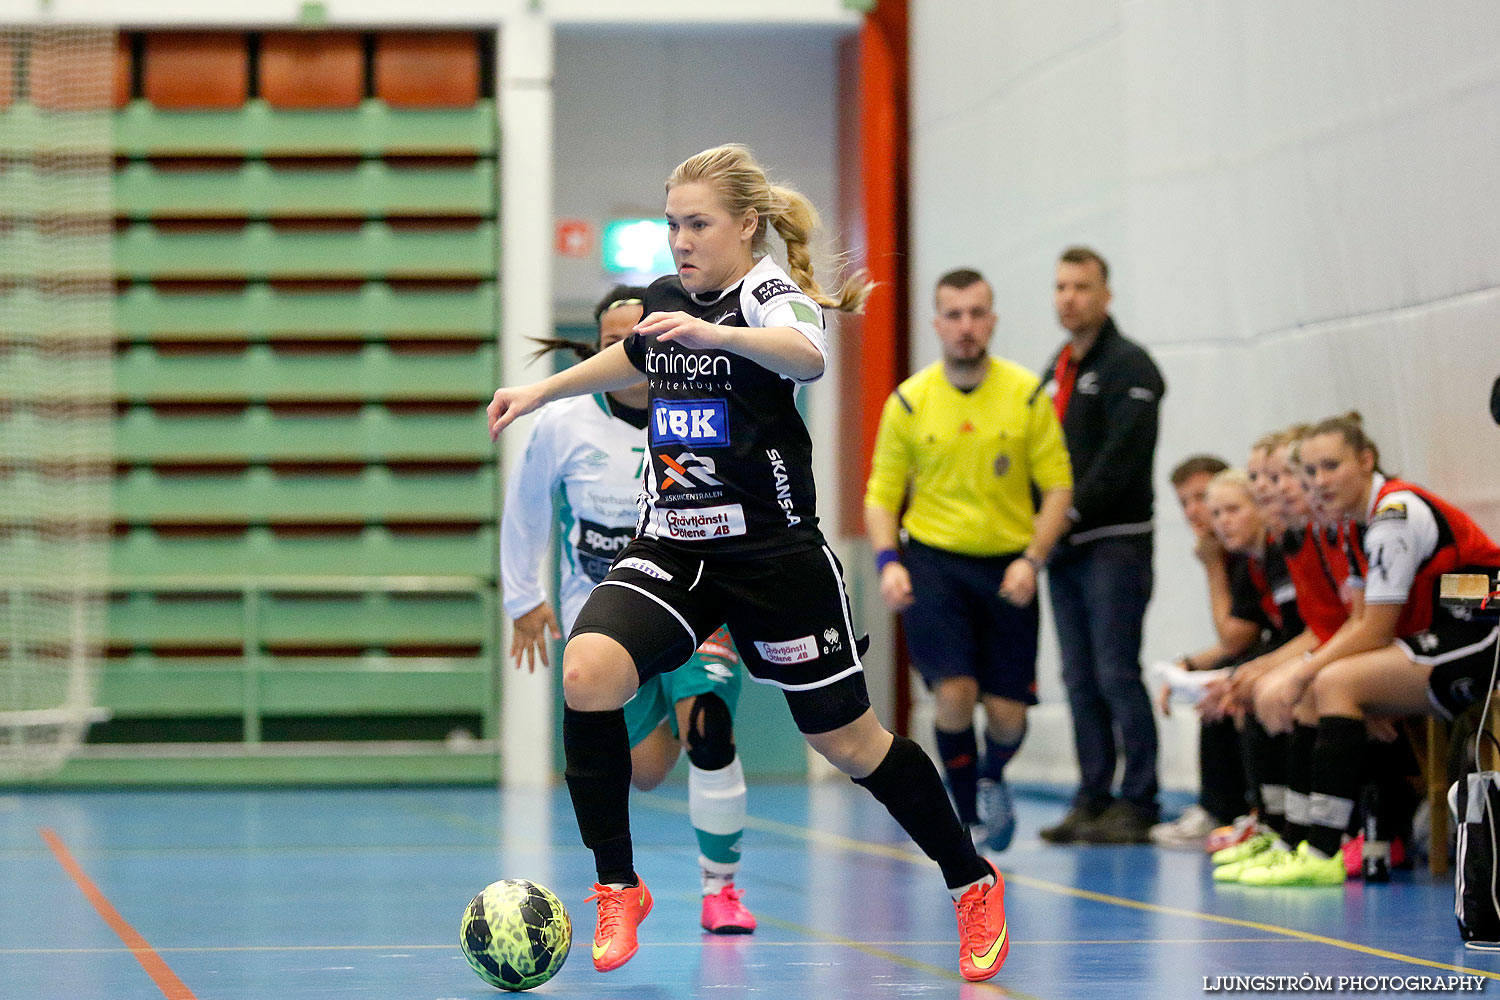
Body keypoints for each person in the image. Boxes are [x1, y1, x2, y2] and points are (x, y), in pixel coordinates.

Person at [488, 144, 1010, 982]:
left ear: (746, 226)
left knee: (852, 745)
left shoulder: (765, 291)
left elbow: (807, 354)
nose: (681, 241)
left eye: (697, 224)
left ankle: (970, 880)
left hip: (774, 559)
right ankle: (618, 885)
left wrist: (710, 331)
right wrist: (542, 391)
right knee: (587, 671)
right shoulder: (664, 302)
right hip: (675, 551)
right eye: (672, 225)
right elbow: (636, 358)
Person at [500, 285, 756, 935]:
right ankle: (673, 702)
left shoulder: (701, 407)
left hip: (700, 599)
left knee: (711, 731)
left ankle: (720, 890)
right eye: (615, 343)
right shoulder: (564, 423)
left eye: (638, 339)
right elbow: (526, 505)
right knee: (645, 772)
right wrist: (523, 599)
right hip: (608, 621)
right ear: (600, 351)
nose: (630, 353)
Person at [1237, 414, 1500, 886]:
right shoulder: (1353, 524)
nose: (1318, 482)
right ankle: (1302, 840)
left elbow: (1374, 630)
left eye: (1330, 467)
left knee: (1329, 680)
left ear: (1365, 460)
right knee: (1330, 684)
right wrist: (1371, 686)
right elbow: (1360, 621)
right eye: (1310, 471)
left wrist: (1310, 673)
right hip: (1439, 629)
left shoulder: (1393, 514)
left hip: (1484, 625)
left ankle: (1324, 850)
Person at [864, 267, 1073, 853]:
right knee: (953, 691)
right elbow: (882, 493)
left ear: (993, 320)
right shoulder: (909, 402)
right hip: (934, 562)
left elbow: (1058, 488)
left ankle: (991, 776)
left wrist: (1033, 559)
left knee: (1008, 715)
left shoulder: (1027, 394)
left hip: (1008, 565)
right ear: (937, 324)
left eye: (977, 314)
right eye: (953, 315)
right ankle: (967, 818)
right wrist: (889, 561)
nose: (965, 327)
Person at [1038, 246, 1167, 845]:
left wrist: (1068, 514)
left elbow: (1122, 460)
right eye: (1062, 287)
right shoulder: (1057, 368)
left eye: (1082, 287)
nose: (1070, 298)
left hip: (1114, 543)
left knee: (1117, 671)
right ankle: (1093, 795)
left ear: (1105, 295)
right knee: (1078, 676)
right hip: (1065, 548)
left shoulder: (1130, 366)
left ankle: (1138, 800)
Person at [1148, 455, 1253, 849]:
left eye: (1203, 498)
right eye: (1185, 502)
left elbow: (1234, 636)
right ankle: (1219, 808)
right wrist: (1187, 666)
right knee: (1212, 677)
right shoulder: (1228, 549)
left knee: (1224, 681)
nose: (1196, 511)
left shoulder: (1242, 553)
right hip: (1260, 649)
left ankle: (1231, 811)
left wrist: (1212, 567)